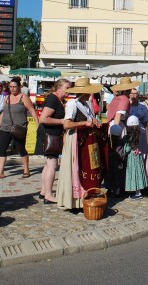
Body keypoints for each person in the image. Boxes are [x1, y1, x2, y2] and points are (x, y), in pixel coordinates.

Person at [56, 78, 103, 210]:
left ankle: (85, 198)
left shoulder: (86, 104)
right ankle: (74, 200)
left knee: (86, 168)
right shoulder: (73, 104)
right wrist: (84, 123)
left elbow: (89, 119)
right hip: (75, 139)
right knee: (76, 169)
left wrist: (94, 121)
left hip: (85, 140)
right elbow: (67, 124)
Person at [0, 77, 39, 180]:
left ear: (19, 87)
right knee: (2, 149)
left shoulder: (23, 98)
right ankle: (0, 172)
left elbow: (32, 111)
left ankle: (26, 169)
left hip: (19, 128)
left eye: (14, 87)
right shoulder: (6, 98)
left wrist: (37, 124)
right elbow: (3, 113)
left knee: (21, 149)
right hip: (5, 127)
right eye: (10, 87)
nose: (12, 89)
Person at [34, 78, 69, 203]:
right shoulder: (53, 99)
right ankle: (48, 195)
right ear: (59, 88)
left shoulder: (57, 99)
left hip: (51, 134)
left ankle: (44, 191)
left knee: (48, 164)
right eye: (67, 88)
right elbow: (44, 118)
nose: (68, 91)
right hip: (48, 134)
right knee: (52, 165)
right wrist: (61, 121)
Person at [106, 77, 140, 196]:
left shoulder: (116, 98)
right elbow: (118, 116)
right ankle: (117, 187)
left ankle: (112, 185)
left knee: (113, 156)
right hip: (118, 127)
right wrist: (117, 132)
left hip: (113, 127)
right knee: (119, 155)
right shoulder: (124, 99)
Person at [124, 115, 148, 200]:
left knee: (134, 174)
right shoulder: (139, 134)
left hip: (132, 158)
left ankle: (138, 193)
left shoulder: (130, 137)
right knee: (139, 173)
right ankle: (138, 191)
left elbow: (127, 149)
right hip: (138, 157)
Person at [129, 87, 148, 158]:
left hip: (140, 131)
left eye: (135, 93)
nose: (133, 95)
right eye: (131, 93)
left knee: (141, 153)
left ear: (138, 95)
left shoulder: (142, 107)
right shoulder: (126, 106)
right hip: (129, 133)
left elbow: (146, 120)